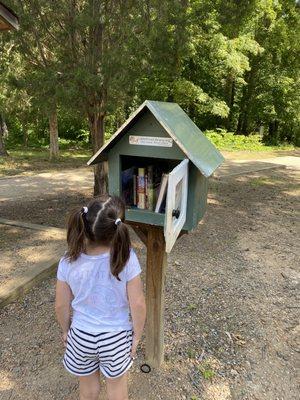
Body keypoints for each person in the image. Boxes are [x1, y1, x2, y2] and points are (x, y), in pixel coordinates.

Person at [55, 195, 146, 400]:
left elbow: (61, 305)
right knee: (116, 388)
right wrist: (137, 336)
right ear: (118, 227)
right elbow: (138, 303)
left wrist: (65, 330)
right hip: (116, 336)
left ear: (85, 225)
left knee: (87, 388)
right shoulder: (126, 258)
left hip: (81, 335)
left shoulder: (67, 261)